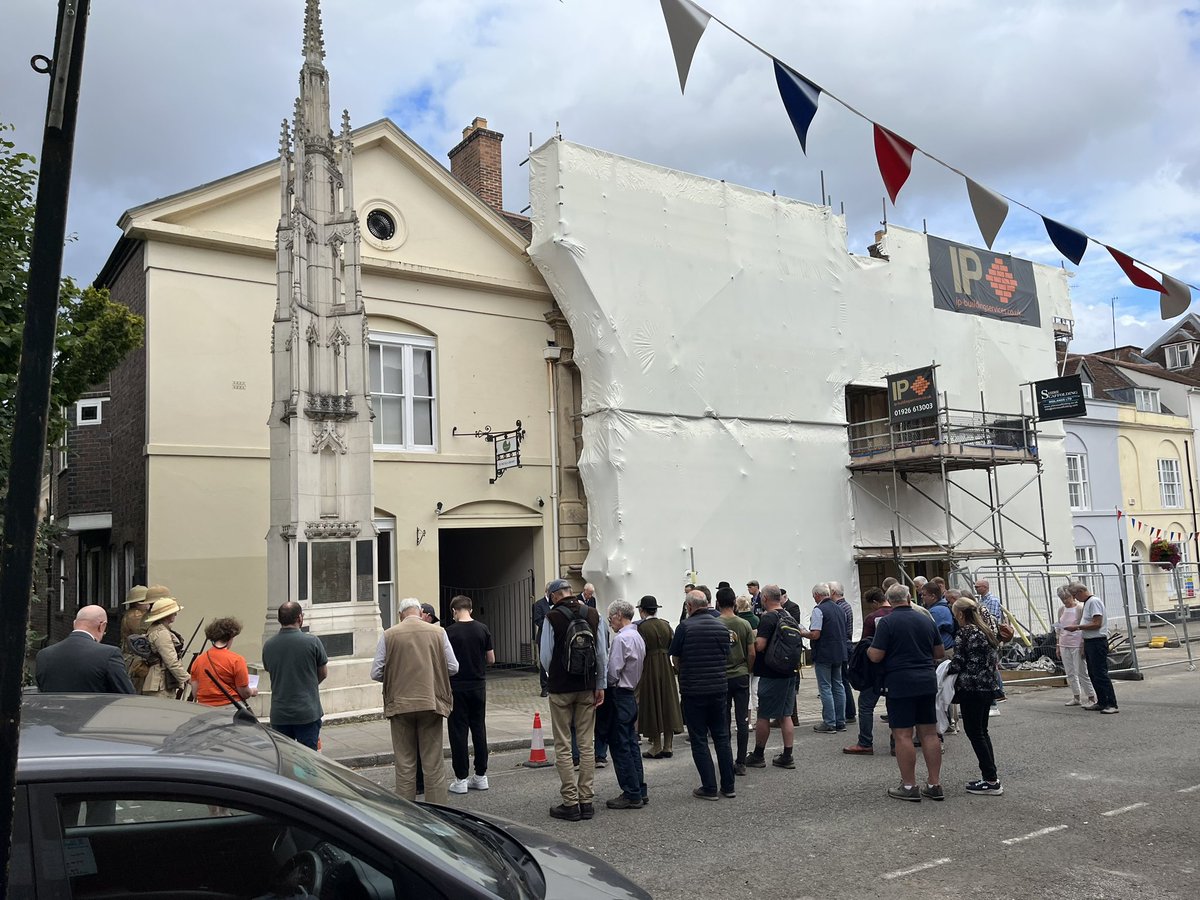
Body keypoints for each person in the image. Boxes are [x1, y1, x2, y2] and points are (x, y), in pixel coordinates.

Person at [372, 598, 459, 803]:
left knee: (404, 763)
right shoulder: (439, 632)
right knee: (433, 763)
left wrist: (396, 674)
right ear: (420, 612)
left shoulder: (389, 634)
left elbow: (376, 672)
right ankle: (438, 812)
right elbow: (453, 667)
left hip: (400, 704)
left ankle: (407, 815)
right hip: (430, 701)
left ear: (400, 614)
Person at [868, 583, 946, 802]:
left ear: (889, 600)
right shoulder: (926, 619)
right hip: (926, 680)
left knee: (902, 734)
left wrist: (867, 649)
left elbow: (876, 655)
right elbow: (939, 651)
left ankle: (909, 785)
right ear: (909, 598)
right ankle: (934, 783)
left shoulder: (887, 622)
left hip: (900, 681)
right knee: (929, 733)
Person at [541, 578, 608, 822]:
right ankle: (586, 800)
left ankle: (570, 802)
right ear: (571, 592)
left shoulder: (552, 617)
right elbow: (601, 653)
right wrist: (600, 684)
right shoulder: (593, 614)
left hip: (561, 688)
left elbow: (545, 656)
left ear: (555, 595)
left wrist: (555, 676)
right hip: (587, 685)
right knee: (587, 743)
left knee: (563, 744)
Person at [670, 590, 736, 800]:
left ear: (689, 607)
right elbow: (726, 655)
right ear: (707, 604)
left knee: (699, 738)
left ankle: (709, 787)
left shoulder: (684, 627)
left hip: (694, 689)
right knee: (721, 737)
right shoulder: (721, 626)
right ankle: (729, 785)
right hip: (718, 687)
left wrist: (684, 673)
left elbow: (676, 658)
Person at [949, 597, 1004, 795]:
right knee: (982, 732)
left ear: (961, 614)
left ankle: (990, 779)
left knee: (975, 733)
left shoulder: (965, 633)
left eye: (955, 614)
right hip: (987, 686)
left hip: (971, 688)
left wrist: (943, 668)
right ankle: (991, 776)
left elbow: (958, 662)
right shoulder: (986, 631)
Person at [261, 601, 328, 750]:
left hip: (280, 713)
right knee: (309, 760)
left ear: (279, 620)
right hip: (307, 711)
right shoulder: (312, 642)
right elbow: (323, 673)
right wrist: (309, 684)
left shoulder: (269, 645)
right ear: (299, 618)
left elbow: (269, 669)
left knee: (285, 758)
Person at [446, 595, 494, 794]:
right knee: (479, 729)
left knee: (458, 732)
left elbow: (445, 661)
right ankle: (481, 776)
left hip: (457, 686)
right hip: (478, 685)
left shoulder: (449, 632)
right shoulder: (482, 629)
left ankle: (461, 779)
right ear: (471, 609)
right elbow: (491, 658)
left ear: (454, 611)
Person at [745, 584, 797, 770]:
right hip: (789, 670)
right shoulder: (788, 615)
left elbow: (760, 646)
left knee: (764, 714)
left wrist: (752, 637)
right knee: (785, 714)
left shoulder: (768, 618)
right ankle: (787, 755)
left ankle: (758, 755)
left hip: (771, 672)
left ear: (765, 598)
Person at [603, 600, 648, 810]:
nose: (610, 622)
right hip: (631, 692)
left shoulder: (621, 639)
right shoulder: (638, 636)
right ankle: (639, 788)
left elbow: (613, 671)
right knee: (631, 744)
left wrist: (607, 683)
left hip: (620, 693)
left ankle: (631, 793)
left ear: (619, 615)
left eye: (611, 617)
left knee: (621, 745)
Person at [35, 605, 135, 694]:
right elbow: (127, 695)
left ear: (74, 624)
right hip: (95, 714)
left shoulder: (44, 655)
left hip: (54, 714)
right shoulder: (109, 654)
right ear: (102, 626)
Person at [844, 587, 891, 755]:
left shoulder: (872, 618)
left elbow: (866, 644)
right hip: (894, 669)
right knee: (893, 704)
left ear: (875, 602)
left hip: (874, 670)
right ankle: (896, 742)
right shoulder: (896, 614)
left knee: (865, 705)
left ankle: (865, 742)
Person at [636, 596, 683, 759]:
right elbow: (674, 644)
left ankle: (656, 745)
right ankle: (668, 745)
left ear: (642, 610)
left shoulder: (641, 628)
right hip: (665, 665)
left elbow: (640, 649)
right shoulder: (666, 625)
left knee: (652, 704)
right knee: (667, 703)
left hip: (649, 666)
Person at [1063, 582, 1118, 714]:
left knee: (1100, 673)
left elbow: (1097, 623)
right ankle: (1102, 701)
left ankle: (1111, 703)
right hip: (1090, 640)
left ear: (1081, 591)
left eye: (1075, 595)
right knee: (1093, 673)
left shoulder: (1093, 602)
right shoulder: (1088, 603)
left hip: (1097, 641)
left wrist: (1077, 627)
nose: (1075, 598)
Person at [717, 586, 755, 775]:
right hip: (740, 674)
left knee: (723, 720)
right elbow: (752, 652)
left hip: (721, 676)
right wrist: (747, 669)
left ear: (717, 603)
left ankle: (725, 759)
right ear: (734, 603)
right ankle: (741, 762)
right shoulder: (744, 624)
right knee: (742, 720)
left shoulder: (715, 624)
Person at [803, 583, 848, 734]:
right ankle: (840, 720)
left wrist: (802, 632)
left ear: (817, 595)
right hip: (839, 652)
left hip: (824, 652)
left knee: (825, 688)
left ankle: (829, 722)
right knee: (838, 686)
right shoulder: (840, 608)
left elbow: (815, 634)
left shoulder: (819, 610)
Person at [189, 617, 257, 706]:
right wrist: (252, 691)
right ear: (230, 637)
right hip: (229, 708)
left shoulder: (198, 660)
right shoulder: (237, 660)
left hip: (204, 708)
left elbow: (195, 693)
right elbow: (244, 693)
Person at [141, 595, 190, 700]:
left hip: (162, 682)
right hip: (160, 684)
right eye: (173, 612)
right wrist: (187, 678)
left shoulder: (158, 630)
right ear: (167, 615)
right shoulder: (162, 633)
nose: (176, 614)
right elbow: (171, 661)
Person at [1055, 585, 1096, 707]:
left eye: (1067, 598)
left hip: (1077, 643)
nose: (1065, 601)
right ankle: (1076, 696)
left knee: (1082, 671)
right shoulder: (1061, 610)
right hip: (1064, 642)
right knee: (1070, 671)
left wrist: (1083, 644)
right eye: (1062, 599)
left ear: (1072, 596)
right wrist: (1058, 645)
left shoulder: (1080, 609)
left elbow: (1084, 626)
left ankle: (1091, 697)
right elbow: (1058, 628)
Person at [829, 581, 858, 724]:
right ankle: (849, 711)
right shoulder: (845, 606)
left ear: (833, 592)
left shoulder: (839, 608)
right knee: (843, 680)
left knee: (842, 681)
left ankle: (848, 712)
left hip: (842, 646)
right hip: (846, 645)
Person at [119, 585, 150, 690]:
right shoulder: (135, 616)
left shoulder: (136, 614)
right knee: (137, 687)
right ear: (138, 602)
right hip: (135, 659)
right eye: (146, 601)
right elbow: (145, 632)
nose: (149, 604)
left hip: (134, 657)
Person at [533, 584, 553, 697]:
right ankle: (544, 687)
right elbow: (537, 620)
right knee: (544, 661)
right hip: (543, 636)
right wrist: (549, 625)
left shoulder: (556, 604)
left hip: (555, 636)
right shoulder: (539, 604)